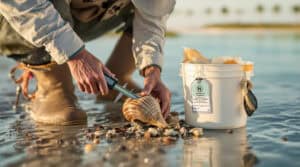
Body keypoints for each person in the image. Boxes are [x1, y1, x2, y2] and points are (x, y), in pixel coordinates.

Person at [0, 0, 174, 125]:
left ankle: (116, 78)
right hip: (14, 16)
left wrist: (151, 68)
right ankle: (52, 84)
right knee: (68, 117)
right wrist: (75, 55)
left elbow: (154, 15)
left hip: (79, 16)